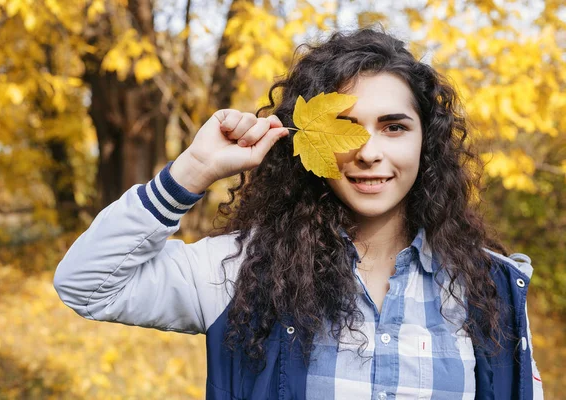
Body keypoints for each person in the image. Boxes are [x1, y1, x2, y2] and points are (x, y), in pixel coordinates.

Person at [53, 27, 543, 399]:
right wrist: (194, 170)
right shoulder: (238, 273)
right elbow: (87, 284)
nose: (368, 152)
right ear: (306, 143)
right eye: (345, 128)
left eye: (394, 127)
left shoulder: (489, 288)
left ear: (426, 142)